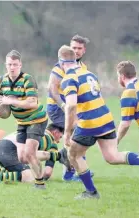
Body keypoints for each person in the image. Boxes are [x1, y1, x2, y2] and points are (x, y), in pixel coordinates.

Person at [58, 45, 139, 199]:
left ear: (61, 63)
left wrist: (67, 132)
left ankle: (91, 192)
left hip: (89, 123)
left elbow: (72, 105)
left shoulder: (68, 79)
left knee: (73, 155)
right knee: (112, 157)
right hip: (106, 119)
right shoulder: (89, 74)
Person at [0, 50, 48, 189]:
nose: (12, 67)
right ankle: (54, 156)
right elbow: (1, 102)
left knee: (29, 154)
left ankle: (40, 184)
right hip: (22, 122)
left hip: (36, 119)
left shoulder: (28, 79)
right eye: (9, 64)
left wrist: (10, 100)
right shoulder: (1, 81)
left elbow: (32, 102)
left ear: (20, 65)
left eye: (15, 64)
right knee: (23, 157)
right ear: (6, 65)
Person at [47, 34, 90, 181]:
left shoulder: (83, 68)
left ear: (84, 50)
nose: (76, 51)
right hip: (57, 108)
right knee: (77, 133)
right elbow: (52, 88)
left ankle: (75, 167)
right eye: (73, 47)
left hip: (73, 109)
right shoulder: (60, 66)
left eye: (79, 48)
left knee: (79, 134)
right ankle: (70, 172)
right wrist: (63, 105)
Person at [0, 124, 69, 183]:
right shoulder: (49, 139)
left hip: (0, 146)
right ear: (55, 132)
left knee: (23, 172)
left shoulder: (39, 131)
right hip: (9, 149)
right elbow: (47, 173)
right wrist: (57, 156)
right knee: (30, 177)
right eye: (60, 137)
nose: (58, 141)